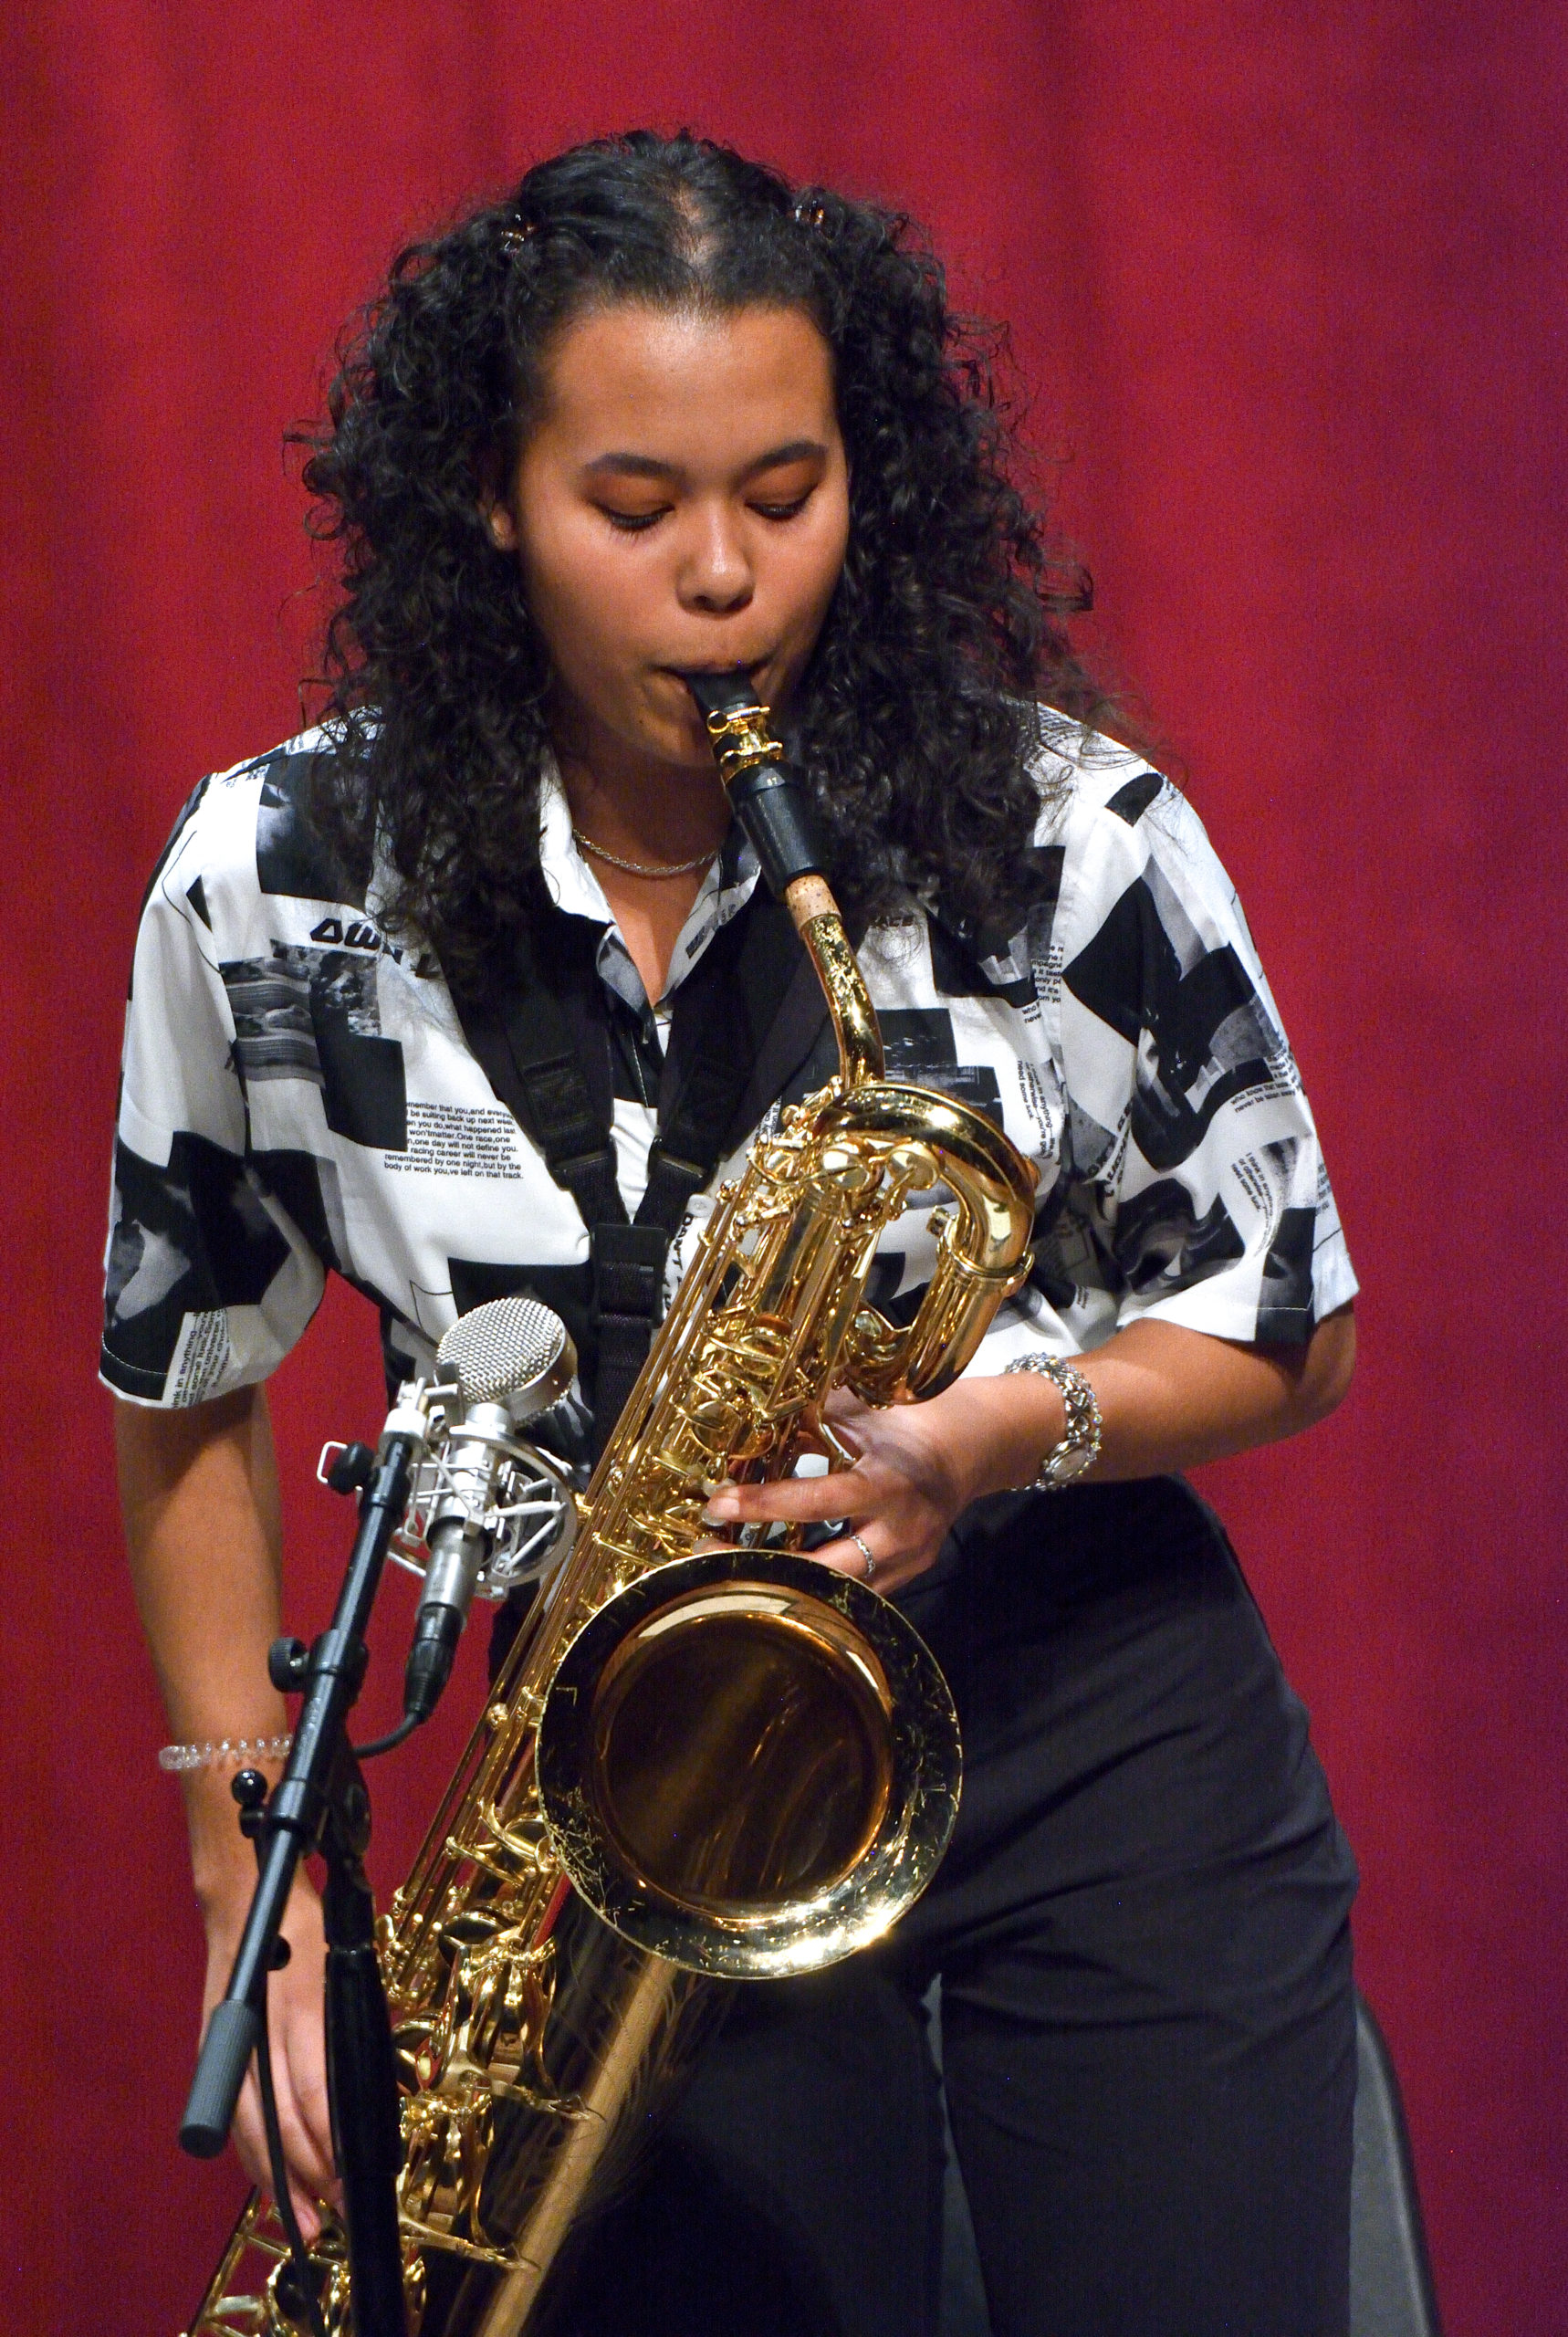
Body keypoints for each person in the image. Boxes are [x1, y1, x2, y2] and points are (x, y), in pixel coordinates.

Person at [106, 132, 1360, 2337]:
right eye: (635, 505)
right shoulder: (278, 878)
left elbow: (1286, 1318)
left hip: (1096, 1730)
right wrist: (254, 1872)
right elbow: (191, 1377)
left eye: (785, 494)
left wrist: (987, 1434)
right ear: (490, 498)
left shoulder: (1064, 839)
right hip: (645, 1768)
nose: (723, 576)